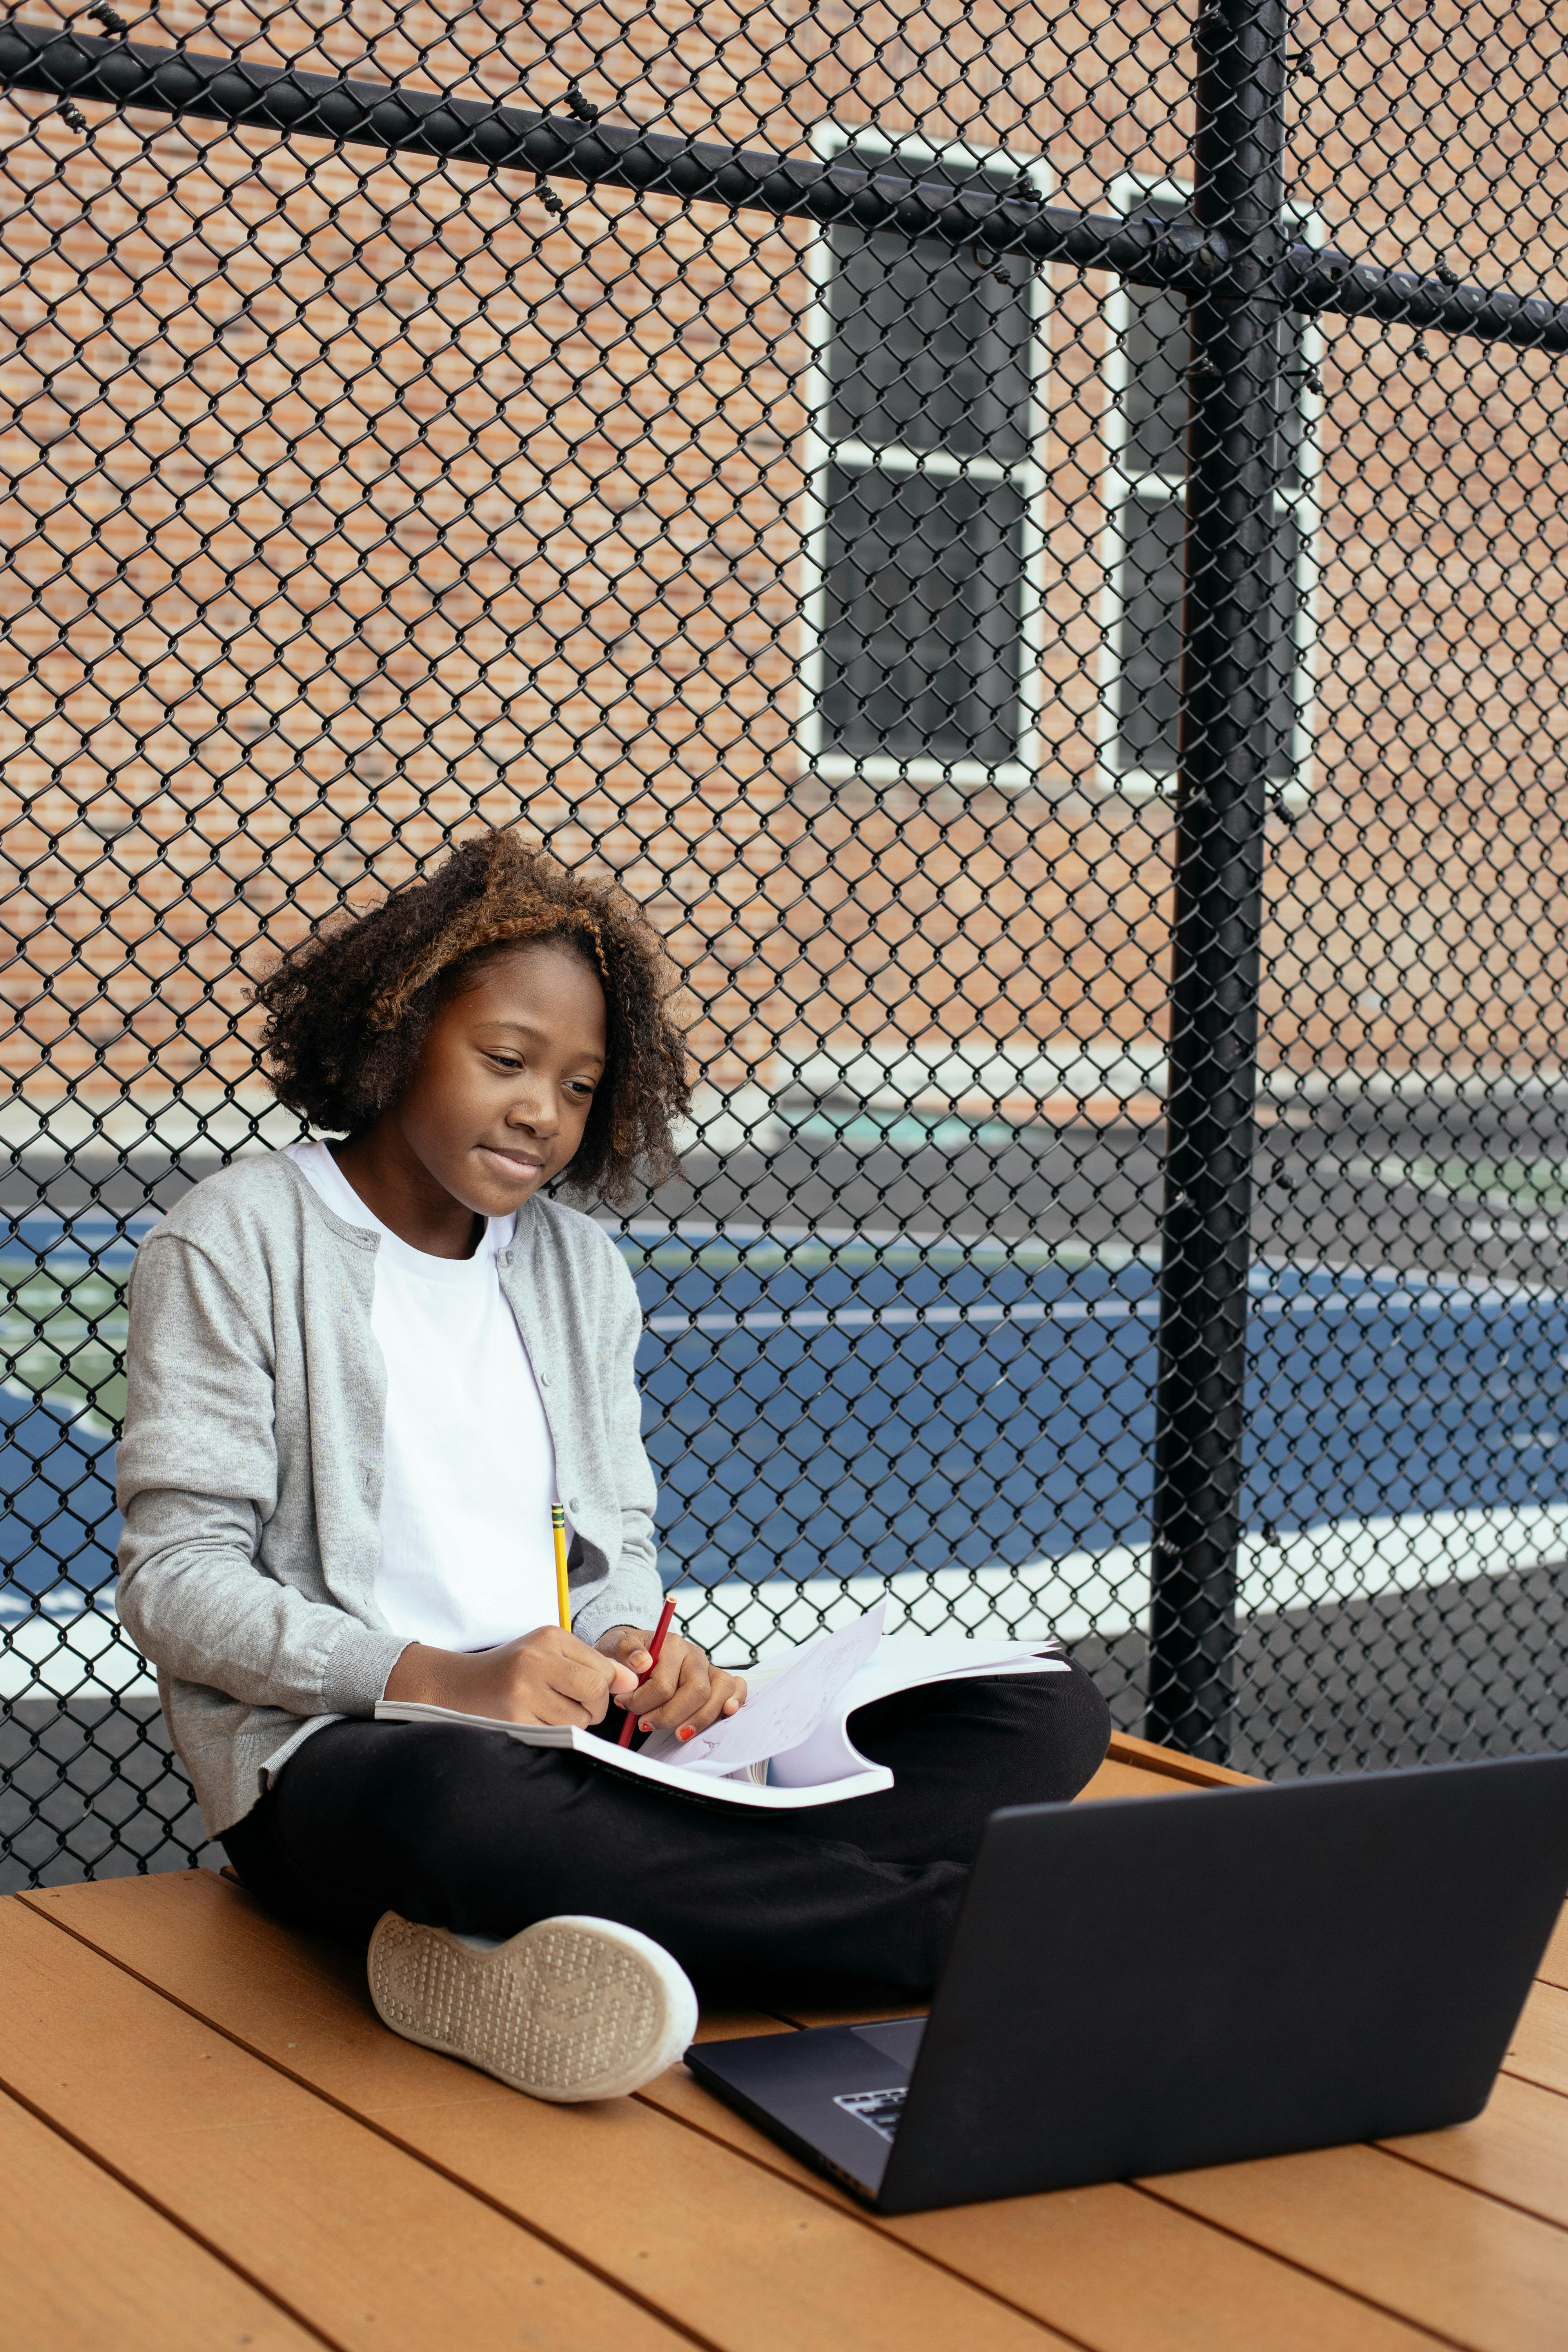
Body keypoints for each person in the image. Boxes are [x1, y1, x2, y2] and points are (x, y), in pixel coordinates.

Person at [117, 828, 1111, 2103]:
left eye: (583, 1087)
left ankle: (522, 1936)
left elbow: (614, 1542)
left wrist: (644, 1644)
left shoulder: (576, 1267)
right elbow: (176, 1584)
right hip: (357, 1756)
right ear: (398, 1033)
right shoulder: (234, 1242)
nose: (543, 1112)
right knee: (469, 1810)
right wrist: (441, 1679)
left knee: (1039, 1710)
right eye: (507, 1060)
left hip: (597, 1743)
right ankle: (960, 1932)